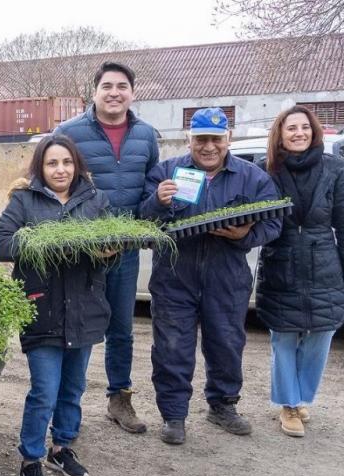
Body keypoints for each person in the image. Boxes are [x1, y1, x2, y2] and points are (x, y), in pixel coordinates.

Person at [140, 107, 281, 445]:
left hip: (227, 278)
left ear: (228, 139)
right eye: (201, 139)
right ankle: (174, 415)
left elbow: (274, 222)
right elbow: (141, 221)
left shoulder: (253, 177)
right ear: (190, 139)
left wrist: (244, 237)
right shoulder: (166, 172)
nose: (208, 146)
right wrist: (157, 202)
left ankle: (223, 406)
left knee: (227, 344)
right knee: (172, 348)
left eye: (216, 139)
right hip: (174, 276)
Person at [0, 134, 112, 476]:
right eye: (52, 163)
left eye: (66, 162)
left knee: (73, 388)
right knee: (44, 391)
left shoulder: (96, 200)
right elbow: (1, 244)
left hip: (85, 310)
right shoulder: (24, 200)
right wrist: (46, 241)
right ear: (40, 168)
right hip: (42, 309)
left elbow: (112, 247)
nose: (60, 169)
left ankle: (61, 448)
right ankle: (31, 460)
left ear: (76, 165)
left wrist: (110, 251)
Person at [55, 61, 159, 435]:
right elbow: (54, 184)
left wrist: (151, 212)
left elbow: (150, 186)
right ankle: (66, 406)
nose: (115, 93)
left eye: (122, 86)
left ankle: (119, 399)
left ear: (133, 92)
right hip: (80, 252)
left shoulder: (146, 134)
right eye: (107, 86)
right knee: (74, 324)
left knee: (121, 327)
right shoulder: (68, 132)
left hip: (125, 249)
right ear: (94, 91)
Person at [256, 106, 344, 437]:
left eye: (304, 127)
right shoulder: (267, 171)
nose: (298, 133)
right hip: (281, 261)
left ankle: (302, 396)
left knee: (322, 333)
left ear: (314, 131)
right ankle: (288, 405)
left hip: (324, 262)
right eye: (290, 128)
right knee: (284, 336)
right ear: (280, 134)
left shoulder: (335, 168)